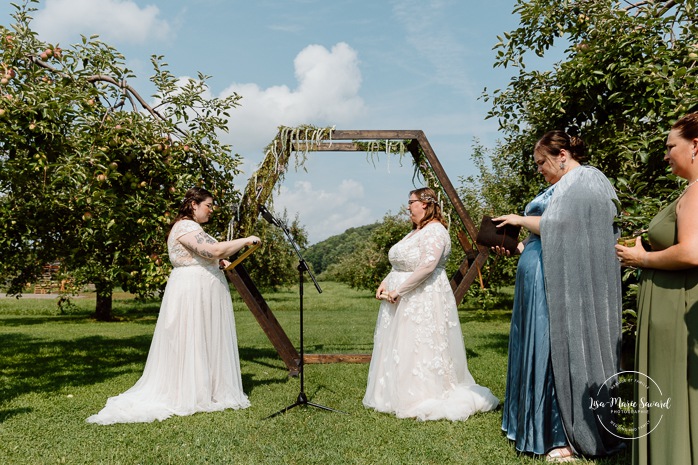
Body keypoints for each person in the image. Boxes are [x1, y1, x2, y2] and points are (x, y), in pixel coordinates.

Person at [494, 131, 623, 461]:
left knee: (554, 347)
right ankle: (534, 424)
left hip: (560, 281)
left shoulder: (587, 180)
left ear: (562, 154)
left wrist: (520, 219)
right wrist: (516, 245)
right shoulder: (561, 186)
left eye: (542, 162)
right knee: (536, 345)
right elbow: (544, 235)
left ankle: (561, 432)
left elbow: (566, 226)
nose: (539, 169)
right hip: (538, 275)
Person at [86, 187, 260, 424]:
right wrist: (247, 239)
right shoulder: (186, 227)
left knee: (202, 340)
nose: (212, 210)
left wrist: (218, 261)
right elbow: (213, 249)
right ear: (193, 205)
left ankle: (204, 389)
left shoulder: (195, 228)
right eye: (208, 205)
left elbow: (210, 255)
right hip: (191, 292)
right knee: (191, 338)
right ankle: (189, 392)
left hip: (201, 290)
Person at [362, 187, 499, 421]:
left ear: (425, 204)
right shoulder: (415, 232)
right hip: (401, 296)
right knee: (400, 345)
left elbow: (427, 266)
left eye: (411, 202)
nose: (408, 207)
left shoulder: (435, 231)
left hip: (419, 297)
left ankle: (421, 394)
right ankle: (392, 393)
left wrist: (399, 290)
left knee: (419, 344)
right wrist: (385, 282)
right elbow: (400, 264)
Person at [616, 113, 698, 465]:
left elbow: (692, 251)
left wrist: (641, 259)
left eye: (670, 147)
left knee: (675, 394)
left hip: (677, 309)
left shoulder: (697, 191)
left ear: (695, 145)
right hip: (671, 305)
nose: (665, 155)